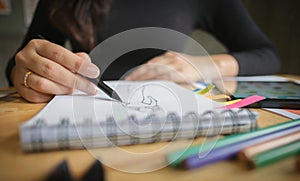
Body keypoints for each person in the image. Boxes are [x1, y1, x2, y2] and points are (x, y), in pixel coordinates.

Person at [6, 0, 280, 103]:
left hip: (173, 126)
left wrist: (206, 65)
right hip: (85, 115)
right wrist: (26, 73)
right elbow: (18, 64)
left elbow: (268, 54)